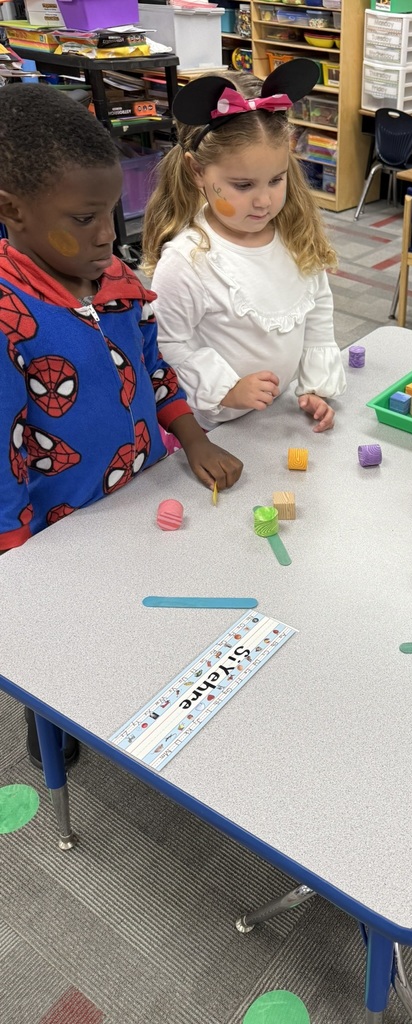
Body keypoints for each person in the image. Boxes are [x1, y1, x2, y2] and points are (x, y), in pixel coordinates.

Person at [0, 85, 243, 768]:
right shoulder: (6, 318)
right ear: (10, 211)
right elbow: (2, 450)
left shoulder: (110, 280)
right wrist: (18, 560)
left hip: (137, 492)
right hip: (56, 531)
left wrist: (191, 438)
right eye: (83, 218)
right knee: (64, 639)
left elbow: (154, 366)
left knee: (134, 616)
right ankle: (45, 709)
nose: (109, 233)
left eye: (110, 211)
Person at [141, 65, 346, 433]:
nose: (264, 201)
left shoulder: (292, 234)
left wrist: (313, 386)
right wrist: (227, 390)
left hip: (272, 419)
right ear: (197, 171)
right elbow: (167, 343)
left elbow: (316, 309)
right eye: (243, 185)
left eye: (276, 179)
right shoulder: (188, 261)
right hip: (216, 427)